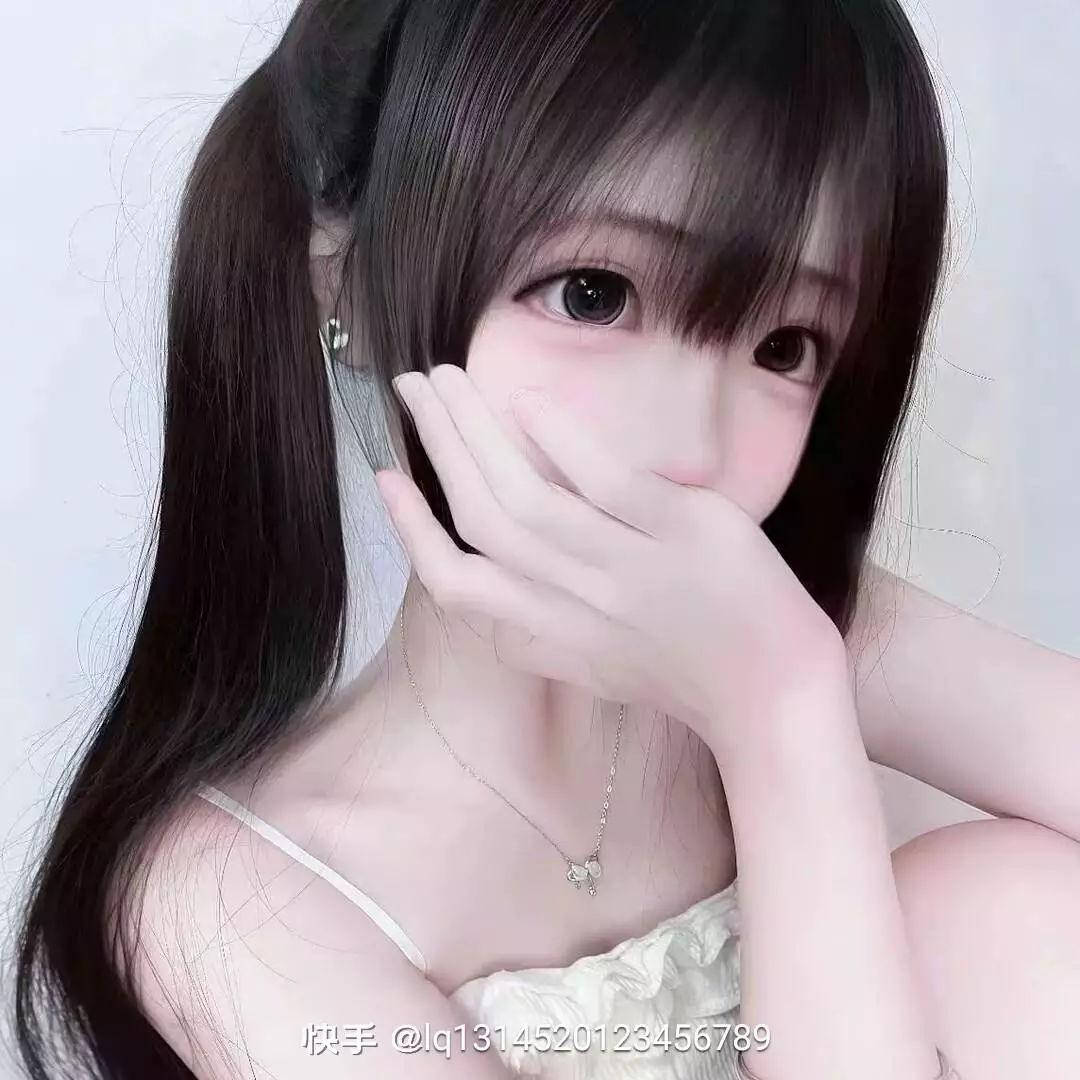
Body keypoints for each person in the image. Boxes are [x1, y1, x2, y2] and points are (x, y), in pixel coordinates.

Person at [13, 1, 1080, 1078]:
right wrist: (782, 722)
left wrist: (782, 705)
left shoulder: (773, 634)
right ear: (354, 289)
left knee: (1006, 910)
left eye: (784, 344)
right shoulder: (233, 898)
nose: (690, 449)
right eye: (593, 294)